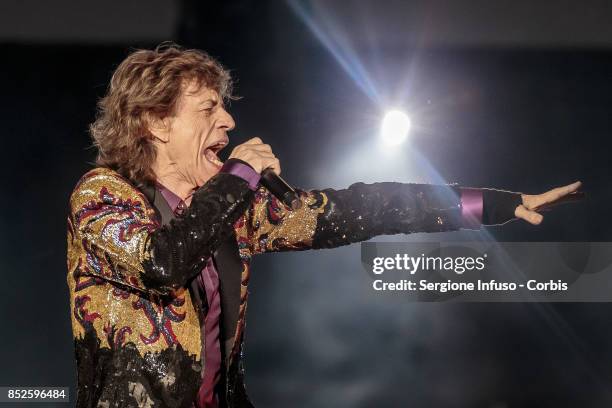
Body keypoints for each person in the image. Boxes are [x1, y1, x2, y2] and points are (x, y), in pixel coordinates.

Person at [66, 44, 581, 408]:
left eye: (224, 108)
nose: (227, 121)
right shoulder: (101, 196)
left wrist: (497, 205)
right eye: (208, 109)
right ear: (157, 122)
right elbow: (162, 263)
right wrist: (241, 172)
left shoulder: (231, 211)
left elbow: (367, 208)